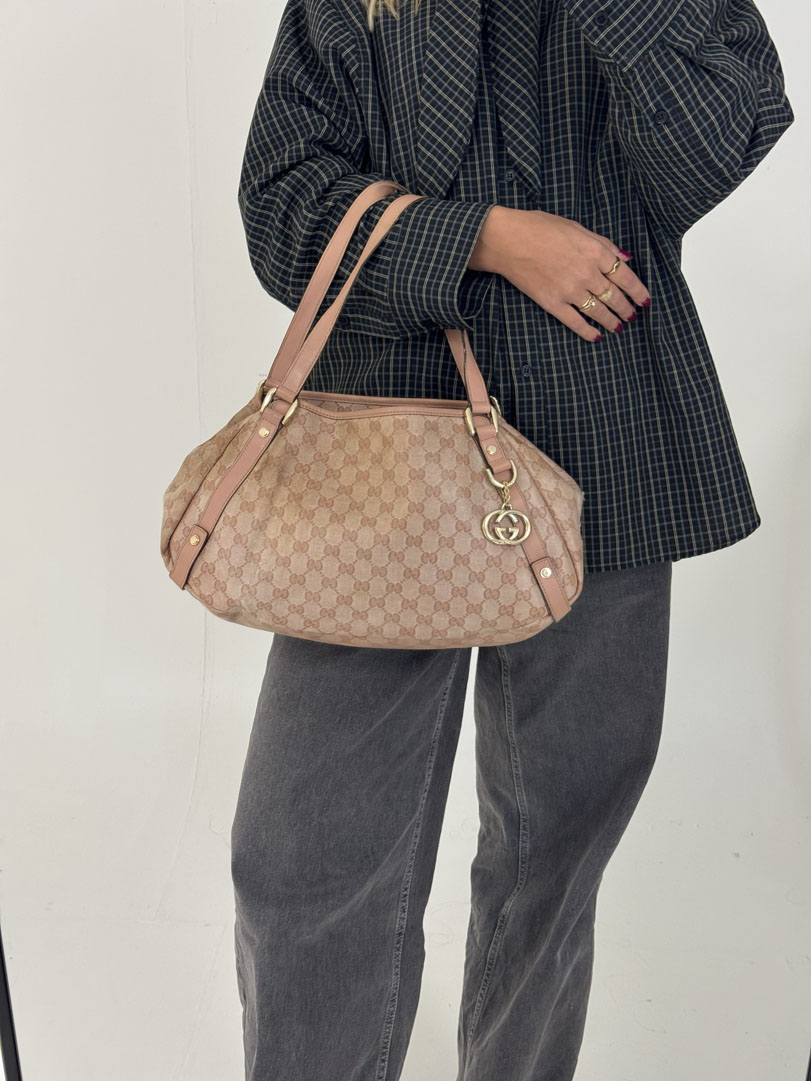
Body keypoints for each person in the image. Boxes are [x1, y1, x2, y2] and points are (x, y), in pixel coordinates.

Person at [229, 0, 794, 1078]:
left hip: (605, 436)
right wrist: (486, 239)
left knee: (554, 853)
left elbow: (719, 143)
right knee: (300, 858)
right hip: (386, 439)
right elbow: (281, 208)